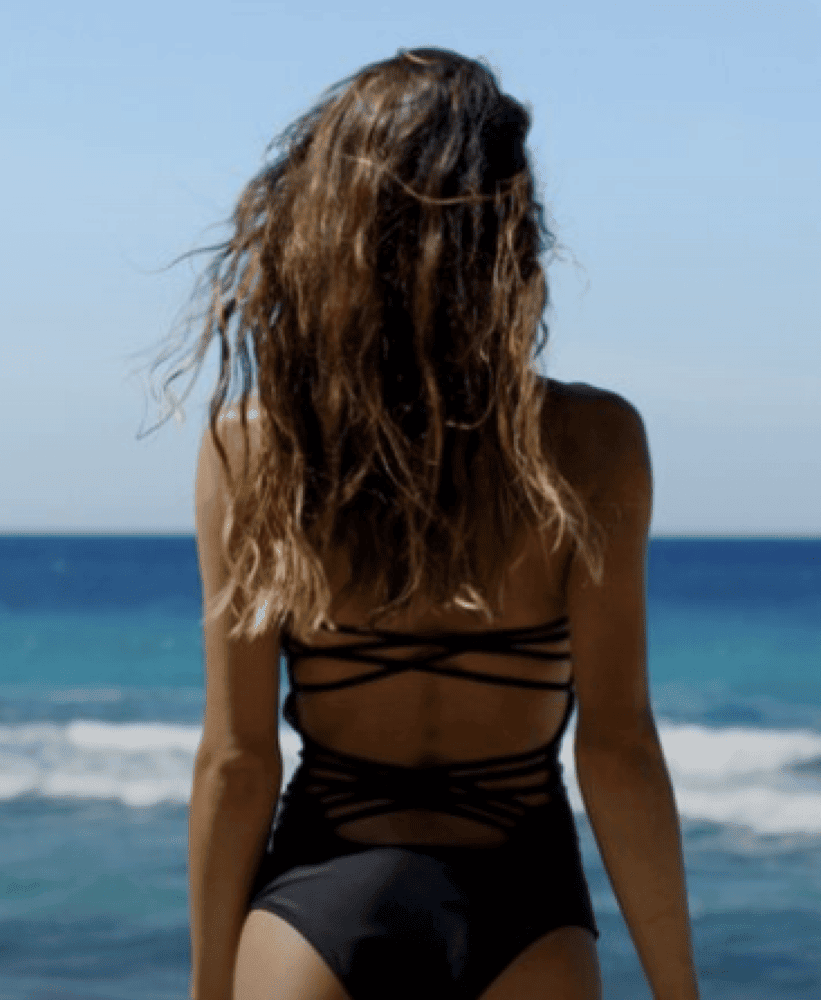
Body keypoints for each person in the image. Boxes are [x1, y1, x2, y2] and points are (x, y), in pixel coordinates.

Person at [164, 46, 701, 1000]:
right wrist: (678, 991)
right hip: (523, 909)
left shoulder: (254, 448)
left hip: (314, 908)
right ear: (505, 232)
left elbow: (237, 762)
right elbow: (617, 749)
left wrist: (207, 990)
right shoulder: (591, 441)